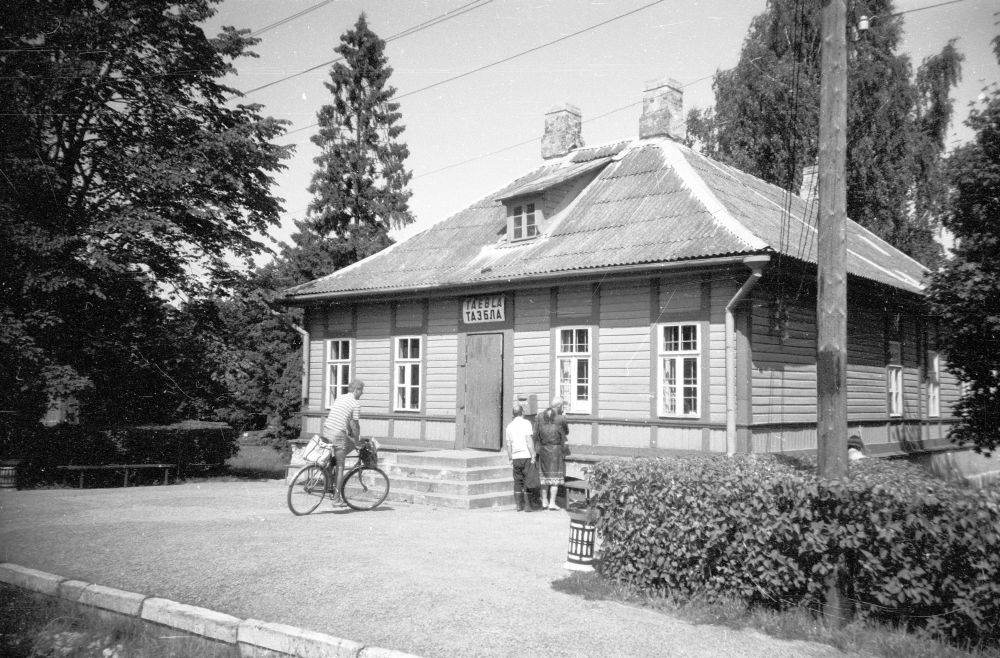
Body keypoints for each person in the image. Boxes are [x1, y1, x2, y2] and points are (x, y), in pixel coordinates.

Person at [322, 379, 365, 504]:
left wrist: (350, 434)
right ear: (356, 390)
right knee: (341, 466)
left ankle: (330, 478)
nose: (362, 393)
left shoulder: (340, 397)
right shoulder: (355, 403)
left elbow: (346, 419)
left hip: (327, 429)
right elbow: (355, 424)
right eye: (361, 390)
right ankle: (337, 498)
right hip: (337, 433)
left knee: (335, 457)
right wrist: (357, 441)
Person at [534, 396, 569, 510]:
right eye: (562, 406)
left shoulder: (539, 416)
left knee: (544, 477)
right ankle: (552, 503)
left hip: (543, 449)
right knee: (555, 477)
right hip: (555, 450)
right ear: (559, 406)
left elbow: (535, 434)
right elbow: (566, 432)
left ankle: (544, 501)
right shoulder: (561, 418)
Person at [505, 402, 537, 512]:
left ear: (513, 414)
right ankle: (528, 505)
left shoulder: (509, 426)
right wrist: (533, 453)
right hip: (526, 455)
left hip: (515, 456)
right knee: (528, 479)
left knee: (517, 481)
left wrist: (510, 458)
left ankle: (518, 505)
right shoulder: (526, 423)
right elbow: (529, 440)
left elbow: (508, 445)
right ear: (522, 413)